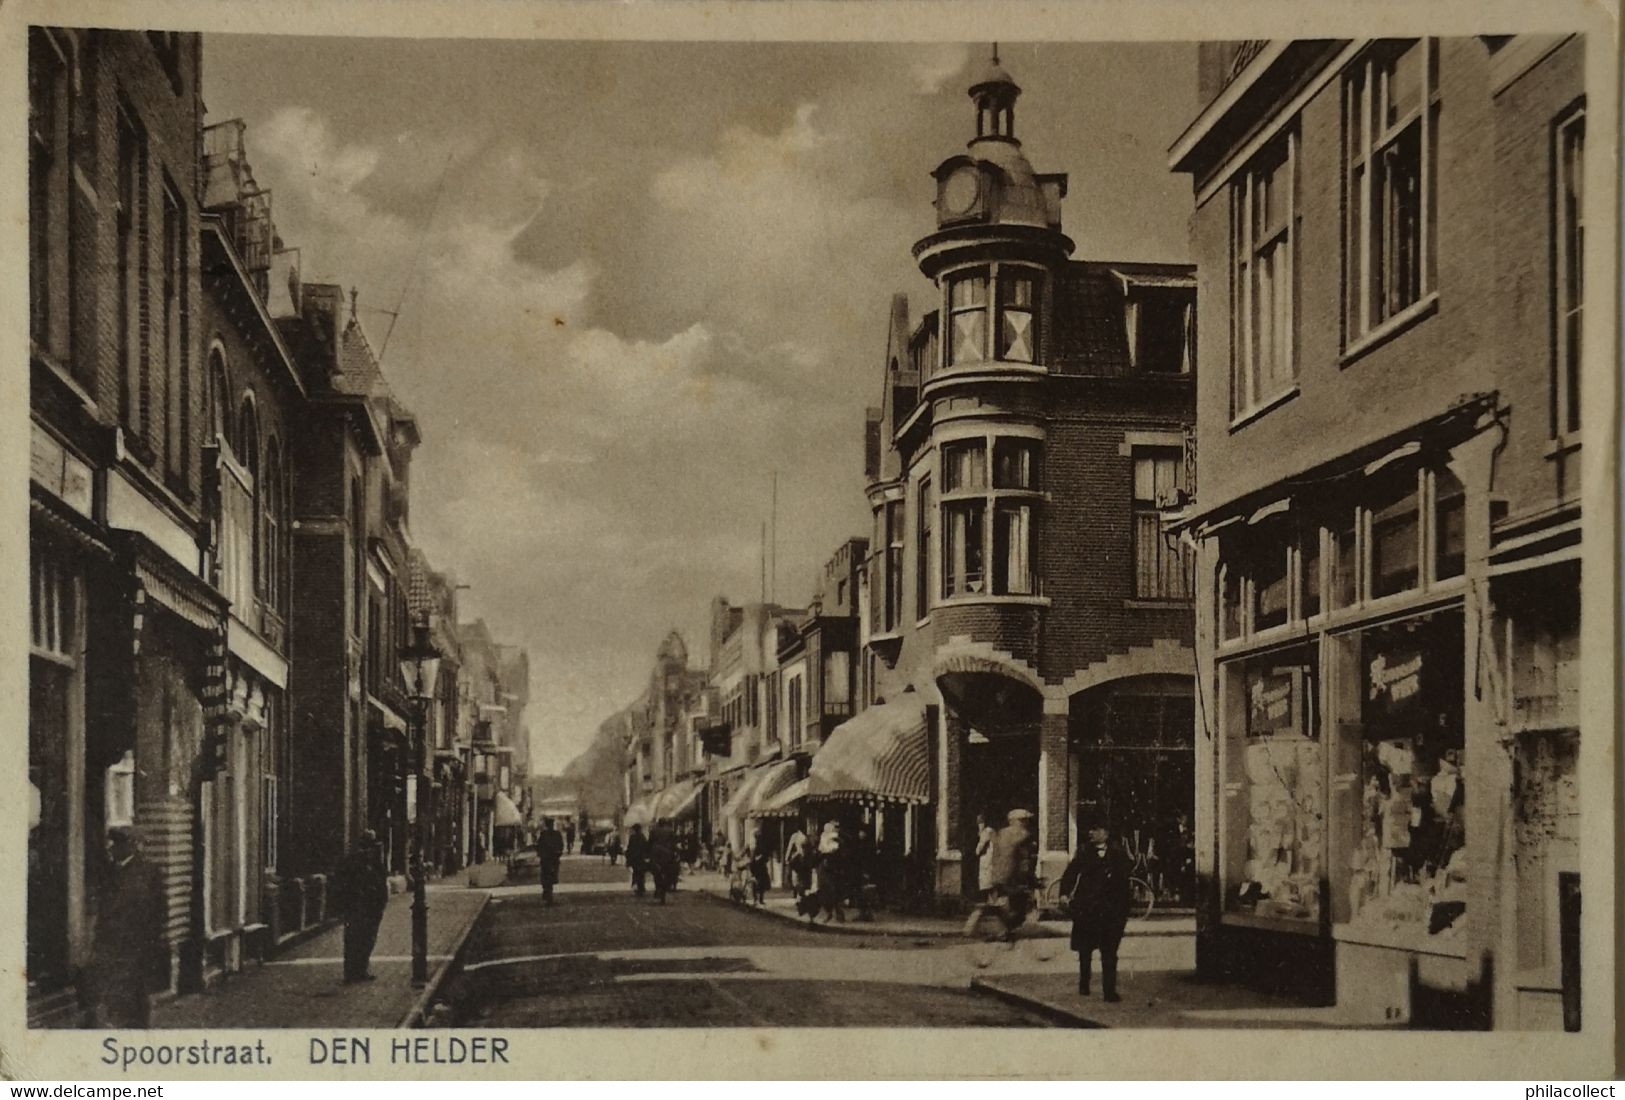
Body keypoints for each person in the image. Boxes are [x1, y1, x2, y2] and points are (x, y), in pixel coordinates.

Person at [87, 827, 166, 1027]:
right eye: (111, 844)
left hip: (137, 944)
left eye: (116, 844)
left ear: (129, 846)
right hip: (112, 943)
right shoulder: (109, 872)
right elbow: (104, 909)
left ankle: (137, 1032)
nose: (111, 848)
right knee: (116, 991)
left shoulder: (149, 872)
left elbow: (159, 910)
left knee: (135, 993)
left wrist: (150, 940)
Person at [1058, 815, 1132, 1002]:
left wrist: (1123, 909)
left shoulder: (1119, 853)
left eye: (1095, 829)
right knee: (1085, 949)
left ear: (1106, 833)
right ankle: (1084, 983)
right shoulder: (1083, 851)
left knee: (1109, 952)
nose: (1090, 833)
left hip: (1110, 911)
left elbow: (1124, 883)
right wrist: (1064, 894)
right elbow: (1070, 874)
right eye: (1090, 829)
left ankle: (1109, 992)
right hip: (1088, 908)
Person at [966, 809, 1036, 941]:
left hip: (997, 874)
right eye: (1025, 820)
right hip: (1013, 876)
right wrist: (1031, 878)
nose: (1027, 823)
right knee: (1020, 907)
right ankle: (987, 915)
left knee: (1002, 901)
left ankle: (999, 927)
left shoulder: (1001, 833)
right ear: (1019, 821)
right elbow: (1025, 860)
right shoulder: (1024, 834)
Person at [335, 829, 389, 984]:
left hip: (370, 908)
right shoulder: (354, 861)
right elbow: (344, 883)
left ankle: (360, 970)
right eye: (366, 846)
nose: (368, 849)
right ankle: (352, 972)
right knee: (356, 939)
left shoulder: (375, 861)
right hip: (359, 907)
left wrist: (381, 902)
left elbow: (381, 882)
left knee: (366, 940)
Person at [649, 819, 680, 904]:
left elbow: (650, 842)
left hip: (656, 853)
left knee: (656, 872)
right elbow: (675, 842)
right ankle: (665, 889)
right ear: (665, 823)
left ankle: (658, 888)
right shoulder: (670, 831)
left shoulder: (653, 831)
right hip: (667, 853)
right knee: (668, 871)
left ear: (659, 824)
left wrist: (648, 854)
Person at [536, 818, 564, 905]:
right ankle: (548, 894)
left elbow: (539, 846)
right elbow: (561, 845)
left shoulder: (545, 834)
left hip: (549, 859)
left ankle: (547, 893)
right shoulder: (554, 834)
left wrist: (541, 854)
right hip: (551, 859)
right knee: (549, 877)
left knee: (547, 877)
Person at [974, 812, 997, 900]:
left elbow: (980, 847)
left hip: (988, 858)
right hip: (989, 858)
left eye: (981, 823)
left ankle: (992, 901)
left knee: (989, 882)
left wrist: (977, 851)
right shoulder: (989, 831)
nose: (980, 825)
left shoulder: (987, 831)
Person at [784, 827, 811, 899]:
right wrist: (787, 857)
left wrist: (787, 857)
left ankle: (799, 891)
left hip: (803, 857)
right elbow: (790, 847)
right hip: (799, 857)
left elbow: (790, 847)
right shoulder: (796, 836)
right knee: (797, 874)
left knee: (800, 875)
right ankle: (797, 891)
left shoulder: (807, 836)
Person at [624, 824, 650, 896]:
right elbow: (646, 847)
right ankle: (641, 886)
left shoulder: (632, 837)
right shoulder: (642, 837)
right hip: (641, 858)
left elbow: (630, 848)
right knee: (641, 872)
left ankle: (637, 886)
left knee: (636, 872)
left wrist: (628, 857)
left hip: (634, 858)